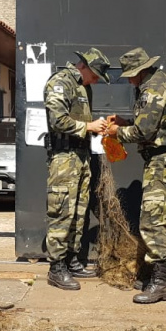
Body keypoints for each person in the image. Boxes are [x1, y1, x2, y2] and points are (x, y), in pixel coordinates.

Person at [105, 48, 166, 304]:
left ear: (140, 71)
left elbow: (144, 133)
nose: (129, 81)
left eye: (130, 76)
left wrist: (117, 131)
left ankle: (160, 284)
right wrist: (125, 121)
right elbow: (155, 123)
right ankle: (161, 278)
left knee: (151, 222)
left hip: (161, 161)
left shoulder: (152, 90)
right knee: (164, 220)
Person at [43, 48, 111, 290]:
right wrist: (89, 126)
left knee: (78, 210)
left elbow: (81, 122)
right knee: (62, 210)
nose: (95, 81)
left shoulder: (84, 87)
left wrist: (95, 127)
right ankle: (56, 267)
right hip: (64, 157)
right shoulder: (60, 83)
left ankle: (72, 260)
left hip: (81, 156)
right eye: (95, 75)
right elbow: (57, 120)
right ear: (84, 66)